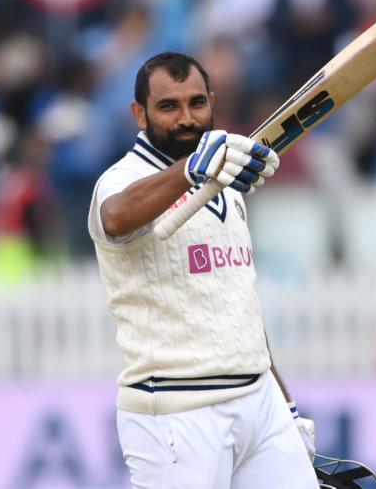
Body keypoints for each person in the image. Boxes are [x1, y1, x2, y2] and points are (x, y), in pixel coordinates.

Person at [87, 51, 318, 489]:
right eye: (168, 106)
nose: (186, 119)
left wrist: (284, 404)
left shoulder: (228, 185)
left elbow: (239, 306)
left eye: (196, 103)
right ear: (140, 113)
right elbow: (115, 217)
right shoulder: (122, 180)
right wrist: (189, 171)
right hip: (177, 408)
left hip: (257, 400)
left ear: (211, 101)